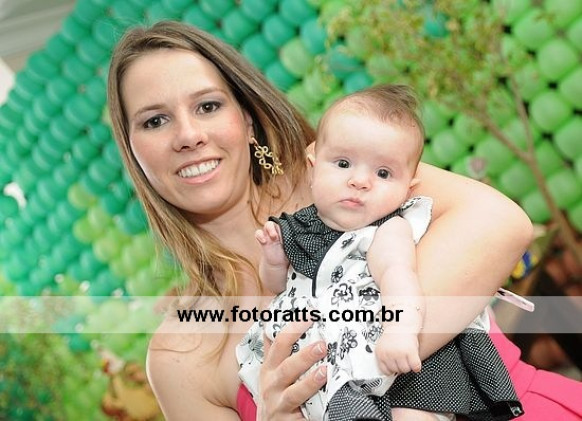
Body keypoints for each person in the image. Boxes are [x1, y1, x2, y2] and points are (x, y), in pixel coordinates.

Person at [106, 20, 543, 420]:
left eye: (207, 106)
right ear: (132, 151)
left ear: (247, 118)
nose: (188, 136)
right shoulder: (176, 355)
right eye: (155, 121)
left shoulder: (344, 177)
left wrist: (331, 388)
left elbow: (501, 224)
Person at [237, 84, 522, 421]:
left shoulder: (385, 231)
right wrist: (273, 258)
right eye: (343, 163)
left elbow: (398, 279)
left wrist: (399, 332)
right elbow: (277, 286)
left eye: (383, 173)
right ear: (313, 168)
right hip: (324, 357)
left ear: (407, 189)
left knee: (411, 414)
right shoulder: (297, 227)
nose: (360, 181)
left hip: (394, 355)